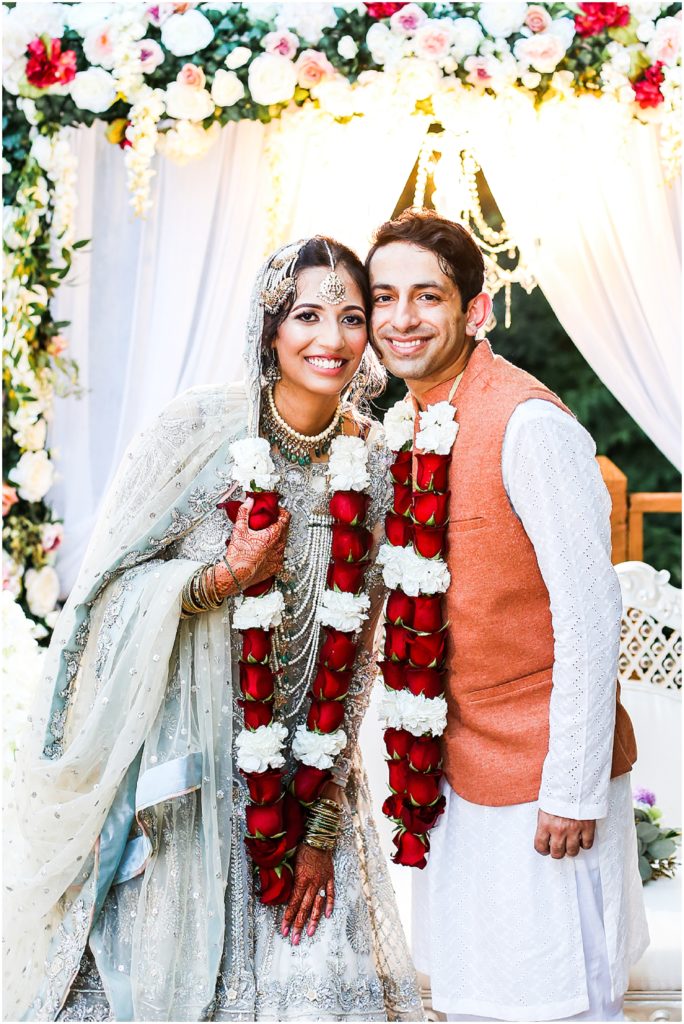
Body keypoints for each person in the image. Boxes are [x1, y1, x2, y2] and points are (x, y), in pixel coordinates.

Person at [4, 237, 423, 1022]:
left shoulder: (374, 468)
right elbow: (102, 599)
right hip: (183, 792)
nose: (329, 340)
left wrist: (324, 827)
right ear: (270, 329)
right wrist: (221, 581)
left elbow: (360, 653)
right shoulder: (195, 431)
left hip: (309, 792)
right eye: (307, 314)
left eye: (351, 317)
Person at [367, 209, 649, 1022]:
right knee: (478, 999)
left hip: (542, 788)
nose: (401, 318)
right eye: (384, 298)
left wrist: (572, 788)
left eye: (426, 296)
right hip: (453, 780)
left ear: (476, 311)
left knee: (558, 1000)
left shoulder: (527, 423)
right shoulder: (408, 426)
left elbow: (591, 619)